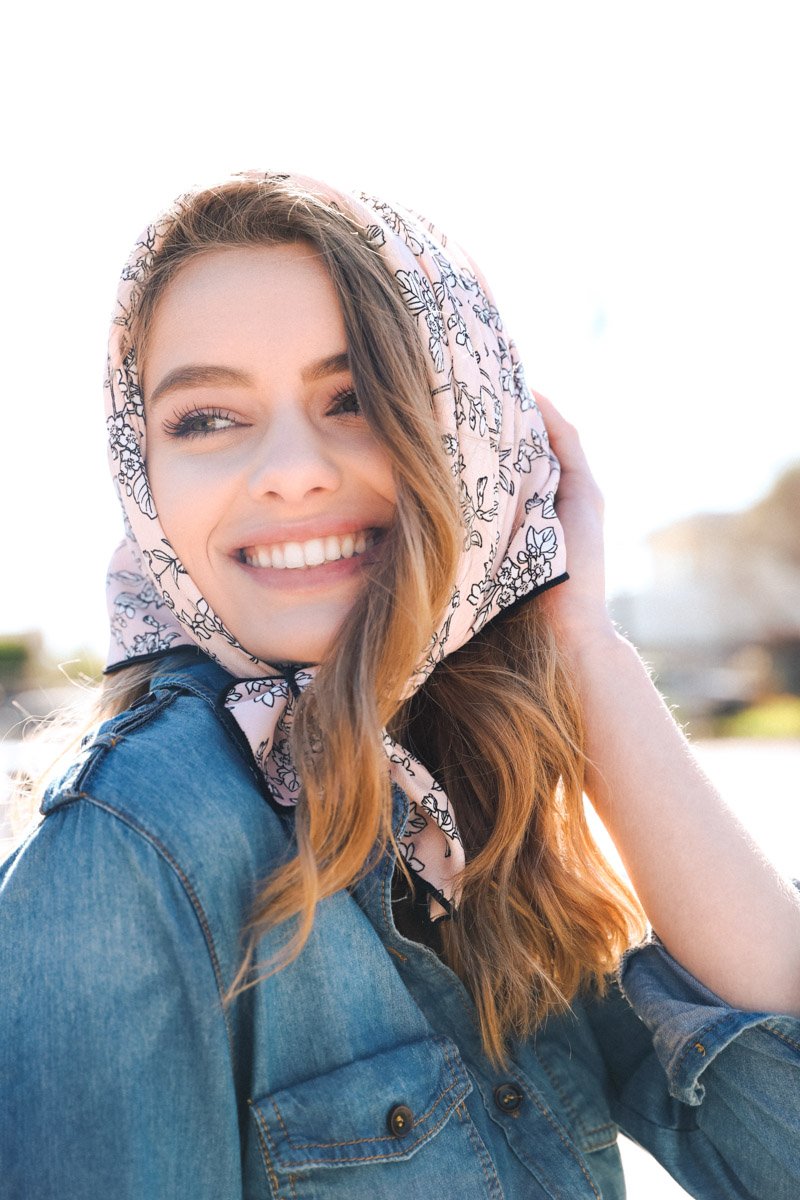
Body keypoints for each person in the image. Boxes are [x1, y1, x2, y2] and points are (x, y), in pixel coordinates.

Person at [1, 171, 798, 1200]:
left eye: (354, 400)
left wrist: (581, 643)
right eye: (205, 419)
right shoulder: (130, 844)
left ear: (473, 435)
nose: (291, 470)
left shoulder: (475, 787)